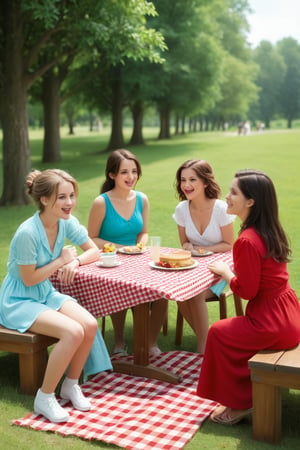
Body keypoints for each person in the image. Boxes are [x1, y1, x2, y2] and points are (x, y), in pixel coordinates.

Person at [0, 169, 112, 423]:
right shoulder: (27, 233)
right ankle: (45, 396)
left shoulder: (66, 221)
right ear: (44, 200)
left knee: (89, 324)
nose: (69, 203)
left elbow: (94, 250)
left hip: (44, 293)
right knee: (72, 332)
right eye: (62, 197)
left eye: (71, 195)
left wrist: (75, 263)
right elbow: (29, 279)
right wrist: (62, 259)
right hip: (18, 300)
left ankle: (70, 385)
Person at [196, 169, 300, 424]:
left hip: (270, 323)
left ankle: (241, 403)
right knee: (230, 331)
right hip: (289, 315)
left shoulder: (247, 240)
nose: (227, 196)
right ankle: (248, 393)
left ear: (251, 201)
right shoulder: (269, 229)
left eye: (233, 192)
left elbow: (247, 291)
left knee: (219, 332)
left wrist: (226, 273)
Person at [88, 149, 167, 357]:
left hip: (137, 258)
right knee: (120, 287)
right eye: (124, 172)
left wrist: (140, 245)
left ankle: (149, 343)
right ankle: (119, 343)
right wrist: (120, 249)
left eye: (134, 171)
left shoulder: (142, 199)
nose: (131, 177)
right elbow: (92, 239)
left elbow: (144, 232)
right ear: (112, 175)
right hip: (111, 261)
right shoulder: (101, 202)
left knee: (162, 292)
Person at [173, 160, 235, 353]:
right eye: (183, 180)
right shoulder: (182, 209)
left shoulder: (220, 209)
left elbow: (228, 244)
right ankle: (207, 338)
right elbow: (184, 244)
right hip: (194, 266)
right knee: (180, 293)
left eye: (192, 179)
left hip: (220, 268)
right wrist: (189, 246)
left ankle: (203, 347)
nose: (186, 185)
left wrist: (205, 251)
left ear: (206, 182)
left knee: (196, 293)